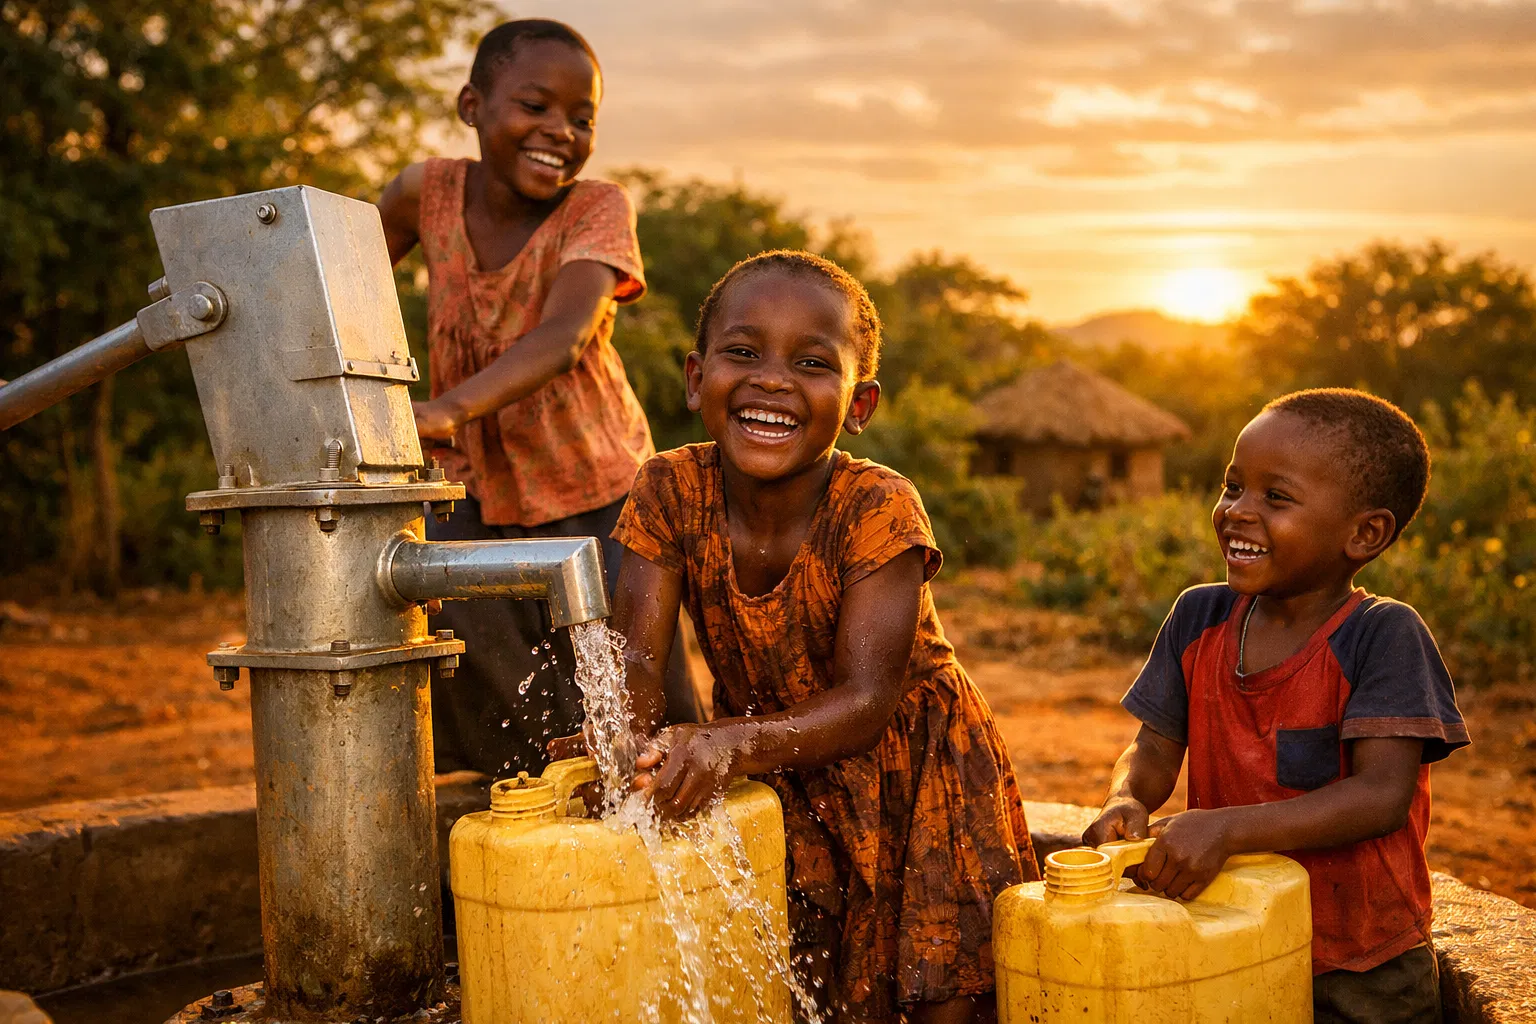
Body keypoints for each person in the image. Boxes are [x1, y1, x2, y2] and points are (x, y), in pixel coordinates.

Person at [602, 250, 1037, 1023]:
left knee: (941, 989)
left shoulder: (878, 506)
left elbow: (870, 701)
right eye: (744, 352)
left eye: (811, 362)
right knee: (808, 974)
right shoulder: (668, 488)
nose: (772, 380)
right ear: (696, 377)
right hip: (779, 759)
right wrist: (624, 747)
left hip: (914, 767)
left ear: (860, 402)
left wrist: (727, 743)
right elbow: (634, 659)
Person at [376, 19, 699, 778]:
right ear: (472, 105)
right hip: (470, 492)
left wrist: (444, 409)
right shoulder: (425, 193)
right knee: (490, 699)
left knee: (630, 705)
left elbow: (564, 338)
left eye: (582, 118)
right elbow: (331, 281)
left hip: (597, 491)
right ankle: (516, 869)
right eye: (534, 106)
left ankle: (659, 875)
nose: (560, 131)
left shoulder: (595, 207)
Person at [1084, 389, 1470, 1024]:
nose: (1238, 511)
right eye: (1233, 486)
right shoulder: (1198, 618)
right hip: (1232, 936)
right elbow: (1153, 747)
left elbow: (1381, 796)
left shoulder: (1381, 635)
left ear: (1364, 533)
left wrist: (1226, 827)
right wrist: (1124, 798)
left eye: (1276, 497)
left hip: (1359, 963)